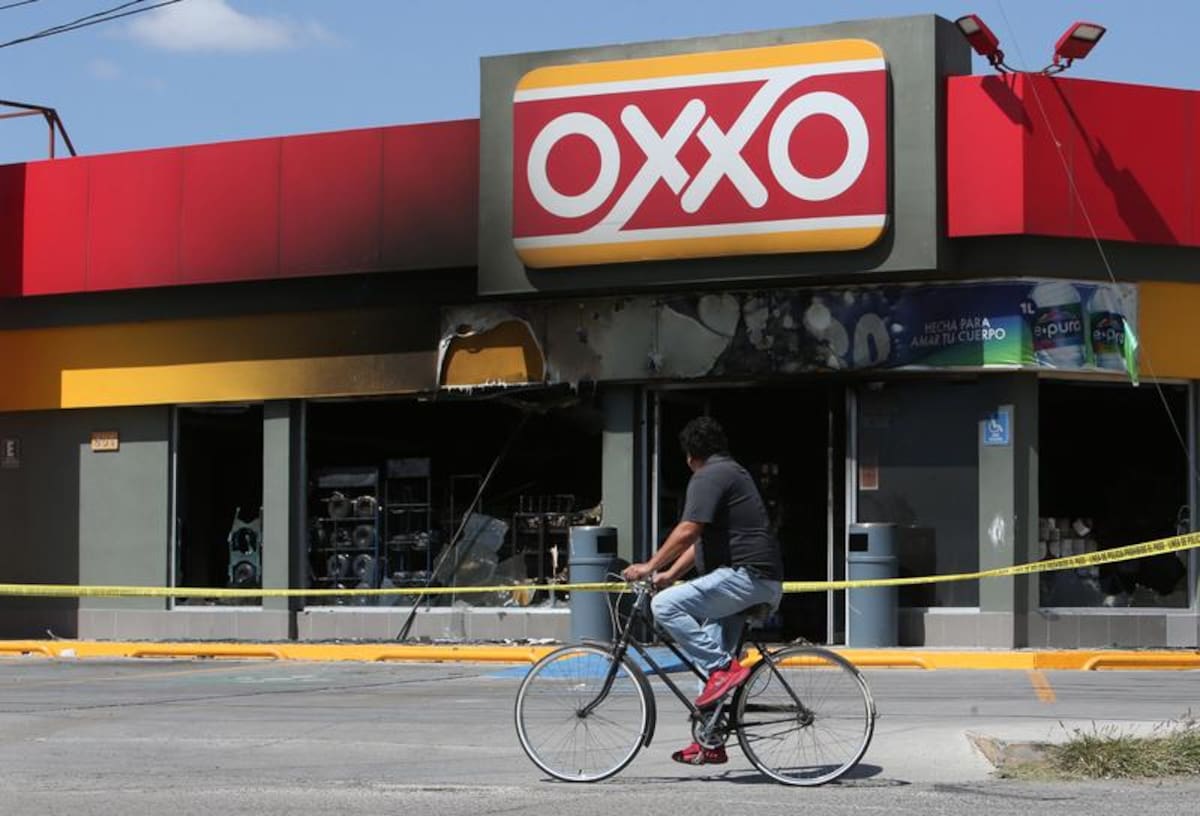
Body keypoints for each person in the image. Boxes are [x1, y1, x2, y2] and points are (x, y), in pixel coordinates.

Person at [622, 416, 784, 765]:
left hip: (745, 577)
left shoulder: (708, 476)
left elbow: (688, 530)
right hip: (756, 580)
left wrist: (649, 567)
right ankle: (710, 740)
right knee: (706, 666)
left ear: (690, 456)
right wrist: (667, 573)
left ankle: (725, 668)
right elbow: (700, 544)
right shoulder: (732, 472)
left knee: (664, 607)